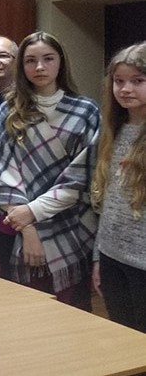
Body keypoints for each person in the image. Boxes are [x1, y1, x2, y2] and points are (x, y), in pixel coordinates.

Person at [0, 31, 99, 310]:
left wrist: (33, 211)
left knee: (72, 314)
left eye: (48, 59)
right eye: (30, 61)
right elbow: (4, 173)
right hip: (20, 227)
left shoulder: (85, 111)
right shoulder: (10, 110)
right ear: (21, 66)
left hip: (72, 225)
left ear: (61, 62)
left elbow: (82, 179)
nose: (39, 67)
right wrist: (28, 229)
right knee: (25, 313)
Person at [90, 42, 146, 332]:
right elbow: (109, 203)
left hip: (143, 262)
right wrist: (99, 256)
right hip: (113, 256)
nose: (126, 89)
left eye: (138, 81)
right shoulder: (114, 129)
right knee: (123, 336)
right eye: (119, 81)